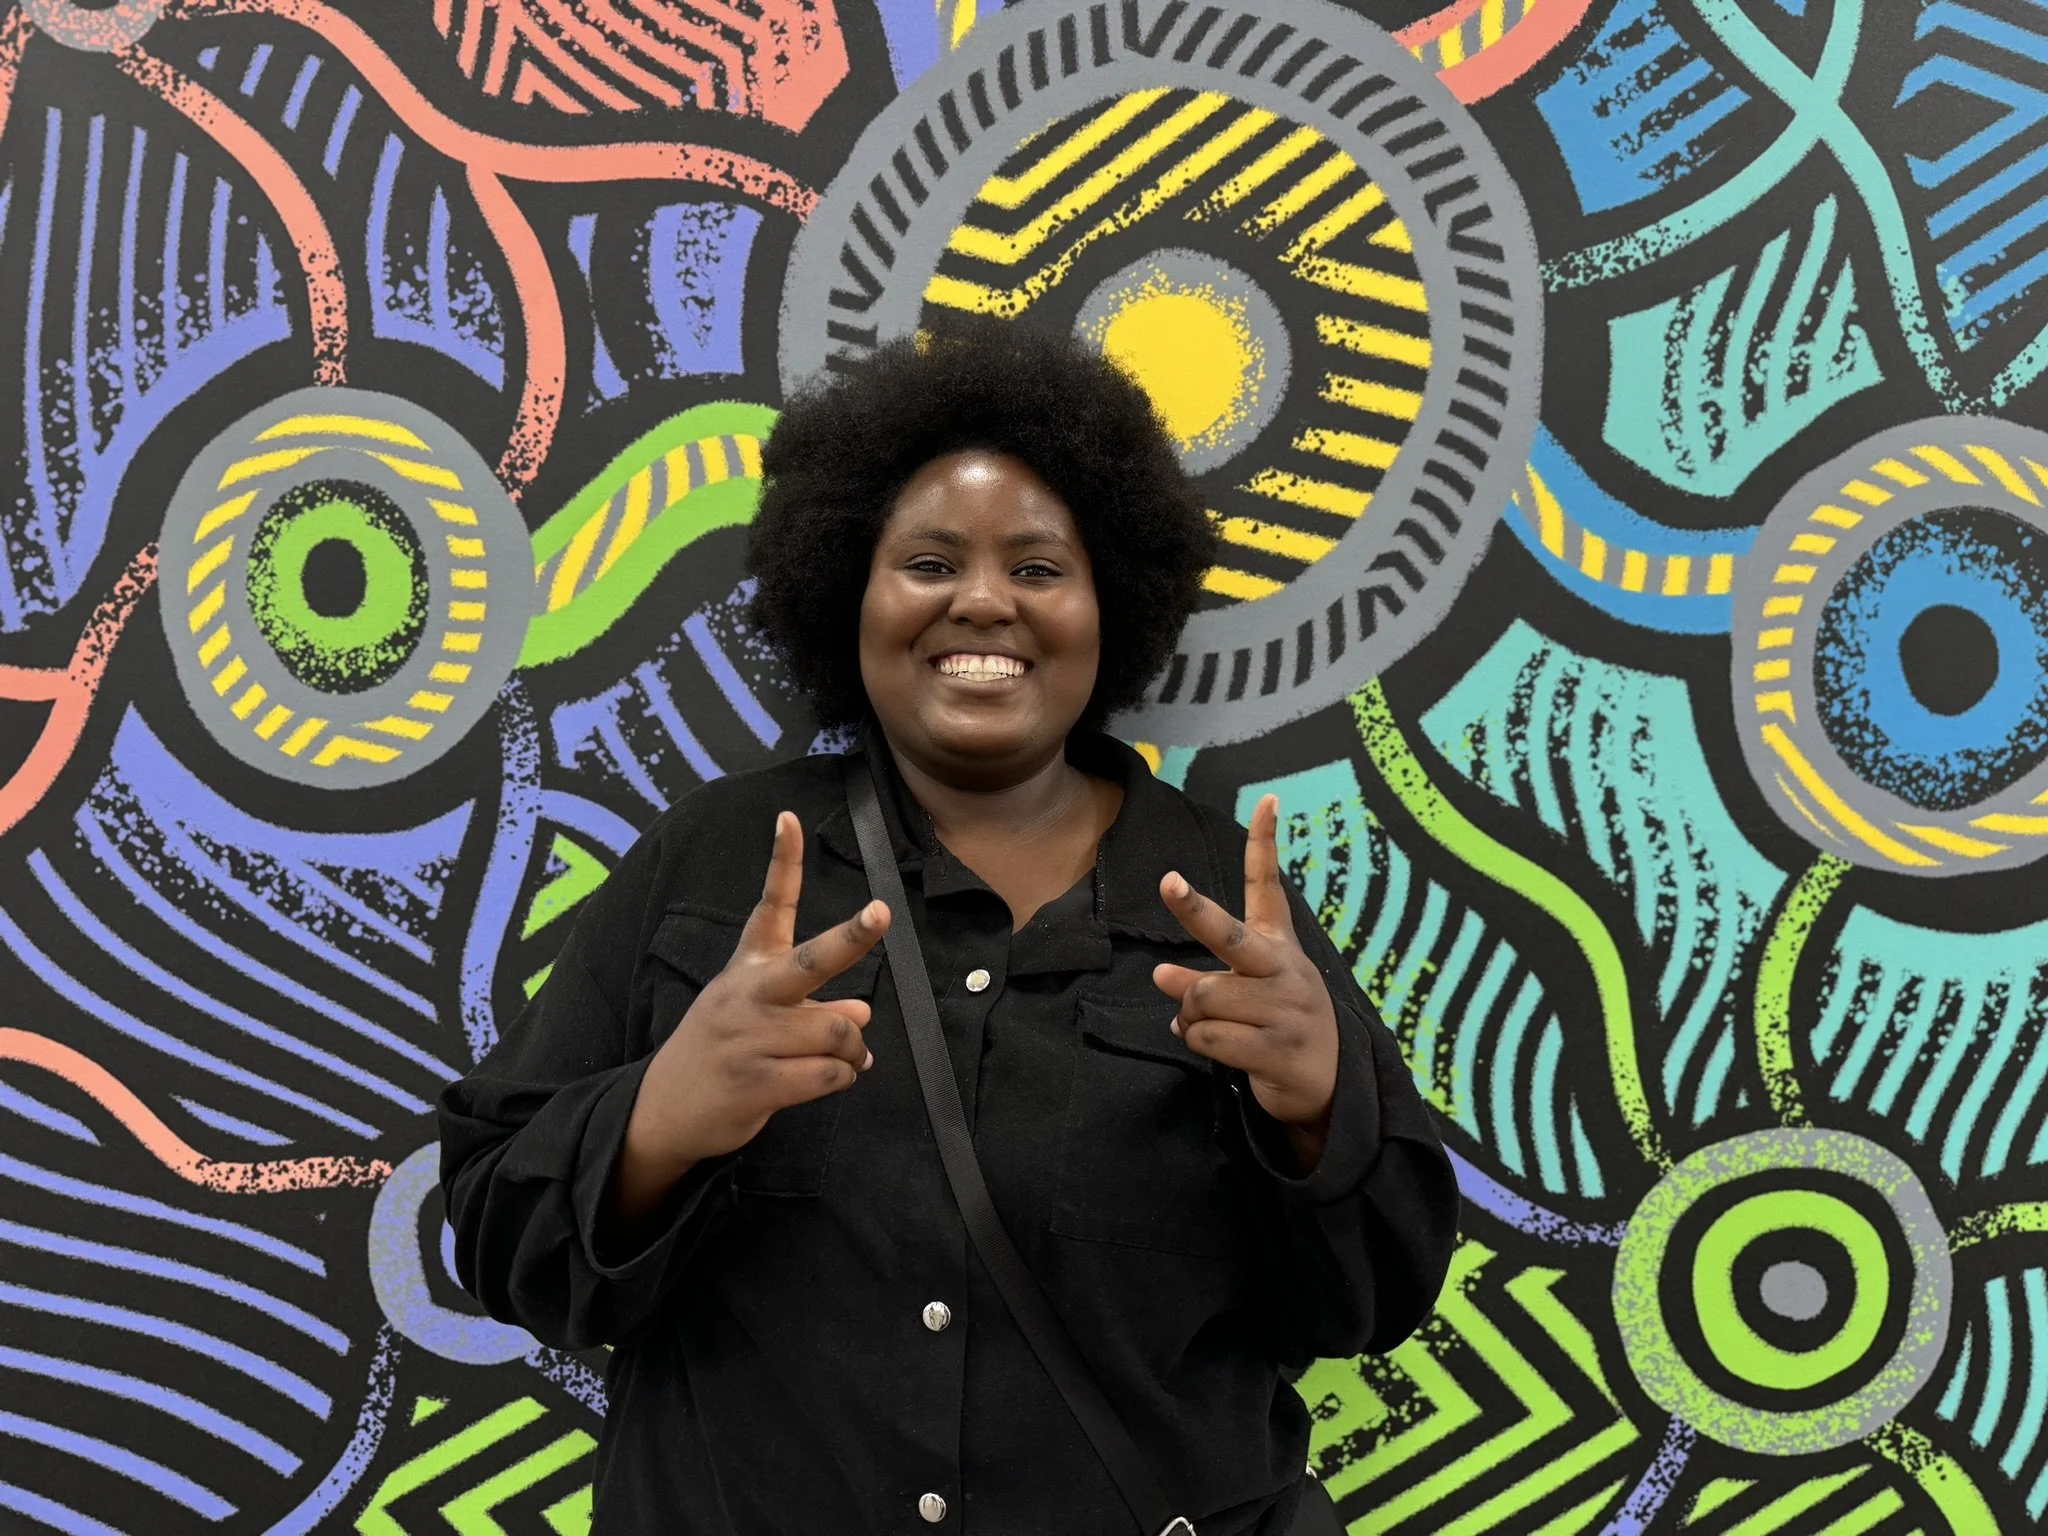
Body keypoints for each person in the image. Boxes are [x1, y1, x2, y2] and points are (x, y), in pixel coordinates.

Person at [437, 317, 1459, 1535]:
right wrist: (659, 1119)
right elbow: (495, 1240)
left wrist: (1318, 1113)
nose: (981, 601)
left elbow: (1368, 1306)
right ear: (847, 593)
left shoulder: (1225, 902)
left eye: (1037, 569)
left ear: (1108, 603)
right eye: (928, 563)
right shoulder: (714, 862)